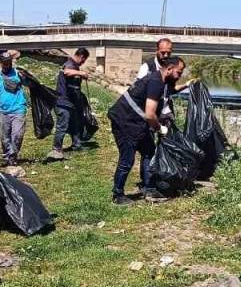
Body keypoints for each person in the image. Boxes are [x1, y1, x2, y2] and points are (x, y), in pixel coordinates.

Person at [107, 54, 185, 205]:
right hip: (124, 120)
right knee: (127, 159)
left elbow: (155, 106)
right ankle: (117, 195)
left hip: (136, 122)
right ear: (169, 69)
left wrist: (187, 85)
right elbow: (150, 114)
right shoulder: (156, 82)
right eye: (179, 72)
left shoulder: (159, 80)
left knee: (149, 150)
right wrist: (160, 128)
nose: (179, 76)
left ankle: (149, 189)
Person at [136, 38, 195, 121]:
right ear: (157, 51)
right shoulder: (146, 68)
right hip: (150, 115)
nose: (166, 55)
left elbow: (171, 90)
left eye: (169, 53)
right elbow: (138, 93)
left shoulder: (170, 68)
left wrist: (187, 85)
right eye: (163, 53)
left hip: (166, 114)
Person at [47, 48, 91, 160]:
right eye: (84, 60)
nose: (83, 62)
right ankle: (56, 149)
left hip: (71, 103)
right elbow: (67, 72)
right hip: (62, 102)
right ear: (81, 56)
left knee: (75, 124)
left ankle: (77, 144)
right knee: (62, 125)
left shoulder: (75, 66)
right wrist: (81, 73)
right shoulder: (69, 64)